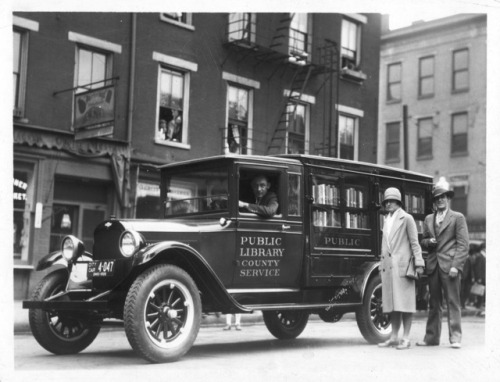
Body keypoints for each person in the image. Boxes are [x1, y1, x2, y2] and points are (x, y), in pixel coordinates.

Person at [417, 178, 469, 349]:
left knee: (453, 302)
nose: (440, 200)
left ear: (448, 199)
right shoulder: (428, 219)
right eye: (437, 198)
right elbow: (423, 241)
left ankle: (455, 338)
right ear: (434, 201)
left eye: (443, 197)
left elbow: (463, 245)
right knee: (434, 303)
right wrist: (428, 242)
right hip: (433, 266)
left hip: (450, 267)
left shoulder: (458, 218)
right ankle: (431, 338)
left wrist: (456, 265)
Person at [377, 187, 425, 350]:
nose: (388, 204)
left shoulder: (407, 218)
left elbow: (414, 243)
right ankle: (394, 337)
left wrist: (419, 263)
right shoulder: (386, 219)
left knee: (405, 304)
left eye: (391, 201)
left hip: (403, 268)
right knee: (392, 304)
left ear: (398, 202)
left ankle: (406, 338)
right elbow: (385, 245)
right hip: (389, 268)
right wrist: (381, 264)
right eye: (386, 201)